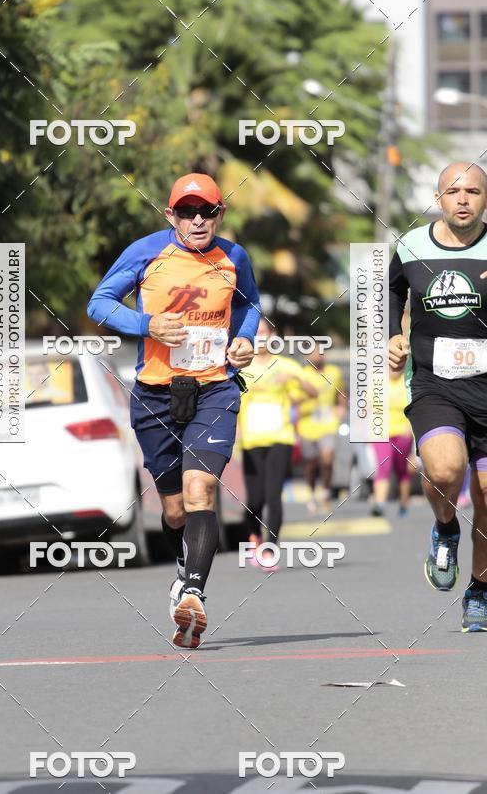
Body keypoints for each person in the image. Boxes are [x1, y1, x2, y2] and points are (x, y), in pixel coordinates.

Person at [87, 173, 260, 647]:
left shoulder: (234, 256)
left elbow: (249, 305)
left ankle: (194, 593)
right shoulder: (146, 252)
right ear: (171, 216)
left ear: (219, 213)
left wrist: (243, 340)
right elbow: (99, 303)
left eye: (207, 211)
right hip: (155, 393)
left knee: (200, 487)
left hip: (214, 389)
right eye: (187, 211)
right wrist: (147, 324)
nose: (198, 220)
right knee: (174, 508)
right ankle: (182, 568)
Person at [389, 161, 487, 632]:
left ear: (485, 199)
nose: (463, 198)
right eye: (453, 190)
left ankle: (480, 591)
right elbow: (388, 293)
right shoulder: (410, 246)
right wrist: (390, 336)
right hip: (435, 385)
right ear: (439, 197)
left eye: (473, 190)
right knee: (445, 469)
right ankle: (445, 526)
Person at [238, 317, 320, 569]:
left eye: (265, 333)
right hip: (251, 439)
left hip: (281, 437)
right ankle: (254, 537)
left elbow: (314, 393)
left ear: (273, 336)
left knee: (274, 496)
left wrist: (295, 382)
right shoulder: (241, 368)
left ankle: (271, 549)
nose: (261, 338)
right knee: (255, 499)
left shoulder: (286, 365)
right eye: (256, 333)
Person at [296, 344, 344, 513]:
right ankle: (311, 493)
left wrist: (341, 407)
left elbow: (341, 393)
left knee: (327, 457)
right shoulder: (302, 375)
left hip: (328, 423)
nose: (316, 355)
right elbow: (294, 399)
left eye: (319, 352)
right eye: (312, 352)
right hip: (307, 423)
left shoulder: (334, 372)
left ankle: (326, 492)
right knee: (310, 463)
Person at [369, 368, 414, 518]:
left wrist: (409, 427)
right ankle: (379, 504)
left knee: (402, 469)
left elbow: (415, 408)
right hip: (381, 433)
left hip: (403, 433)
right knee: (384, 465)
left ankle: (404, 504)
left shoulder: (408, 383)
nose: (393, 370)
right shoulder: (376, 383)